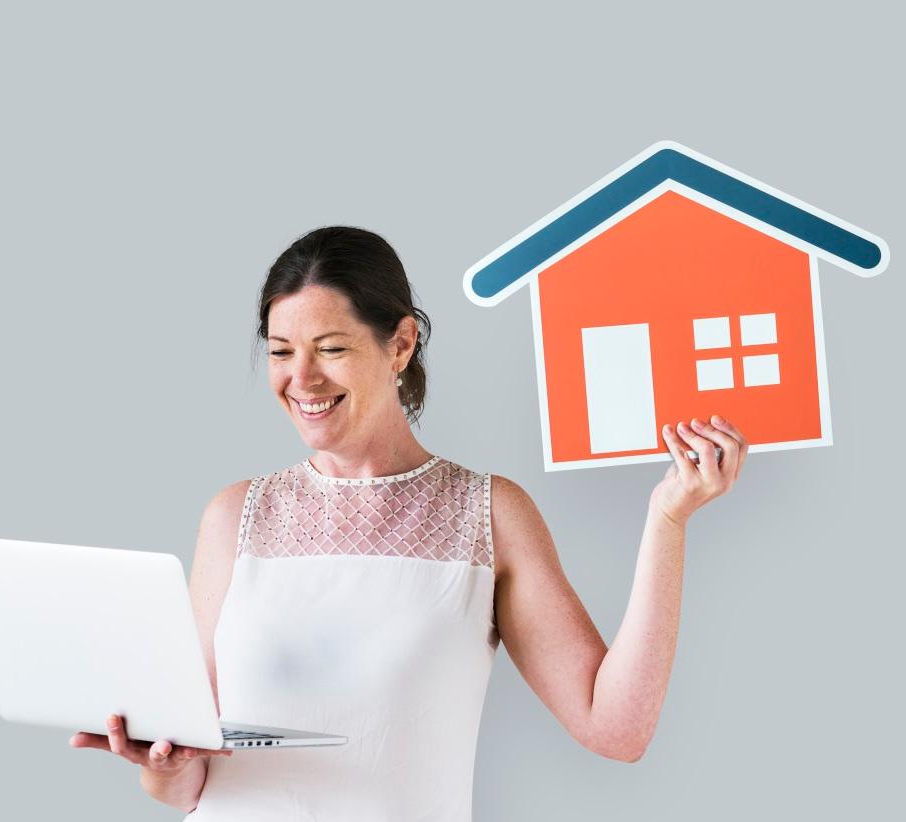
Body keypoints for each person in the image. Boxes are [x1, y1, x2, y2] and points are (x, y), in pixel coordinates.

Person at [69, 226, 748, 819]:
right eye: (280, 351)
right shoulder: (234, 517)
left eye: (329, 348)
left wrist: (669, 520)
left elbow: (617, 729)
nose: (300, 378)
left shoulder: (487, 513)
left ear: (399, 343)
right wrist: (160, 765)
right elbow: (190, 783)